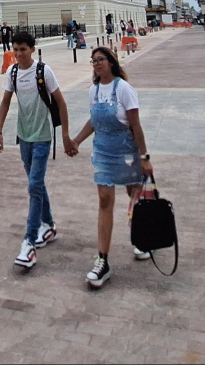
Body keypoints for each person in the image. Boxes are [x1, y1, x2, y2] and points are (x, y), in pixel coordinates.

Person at [70, 46, 153, 289]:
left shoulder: (124, 89)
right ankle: (102, 260)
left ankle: (141, 239)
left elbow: (136, 125)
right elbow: (93, 121)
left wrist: (144, 156)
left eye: (101, 59)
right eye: (93, 61)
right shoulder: (93, 91)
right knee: (105, 201)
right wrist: (76, 140)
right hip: (103, 152)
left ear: (111, 62)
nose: (96, 64)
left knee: (134, 196)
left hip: (126, 151)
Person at [0, 32, 75, 270]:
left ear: (32, 49)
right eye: (16, 49)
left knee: (33, 185)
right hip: (24, 136)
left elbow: (60, 102)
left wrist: (64, 134)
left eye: (23, 49)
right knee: (36, 183)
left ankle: (29, 242)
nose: (19, 54)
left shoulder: (44, 71)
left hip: (42, 136)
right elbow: (5, 101)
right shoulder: (13, 72)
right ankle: (48, 224)